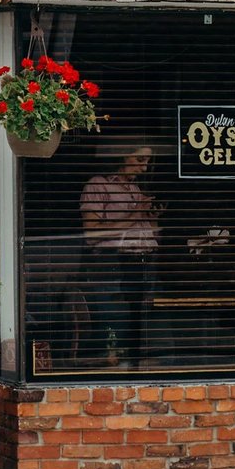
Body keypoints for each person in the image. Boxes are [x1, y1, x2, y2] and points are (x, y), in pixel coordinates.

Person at [80, 145, 161, 368]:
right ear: (123, 155)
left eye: (147, 162)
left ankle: (135, 364)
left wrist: (151, 218)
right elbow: (92, 232)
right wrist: (134, 213)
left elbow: (150, 234)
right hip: (114, 262)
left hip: (144, 261)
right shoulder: (99, 185)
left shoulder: (135, 188)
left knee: (142, 320)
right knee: (115, 318)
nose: (144, 168)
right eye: (140, 160)